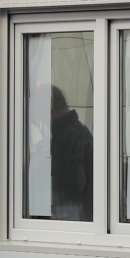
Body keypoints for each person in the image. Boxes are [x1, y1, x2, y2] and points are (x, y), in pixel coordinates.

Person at [49, 86, 93, 221]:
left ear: (52, 109)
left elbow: (71, 180)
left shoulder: (69, 135)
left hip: (69, 210)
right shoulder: (74, 131)